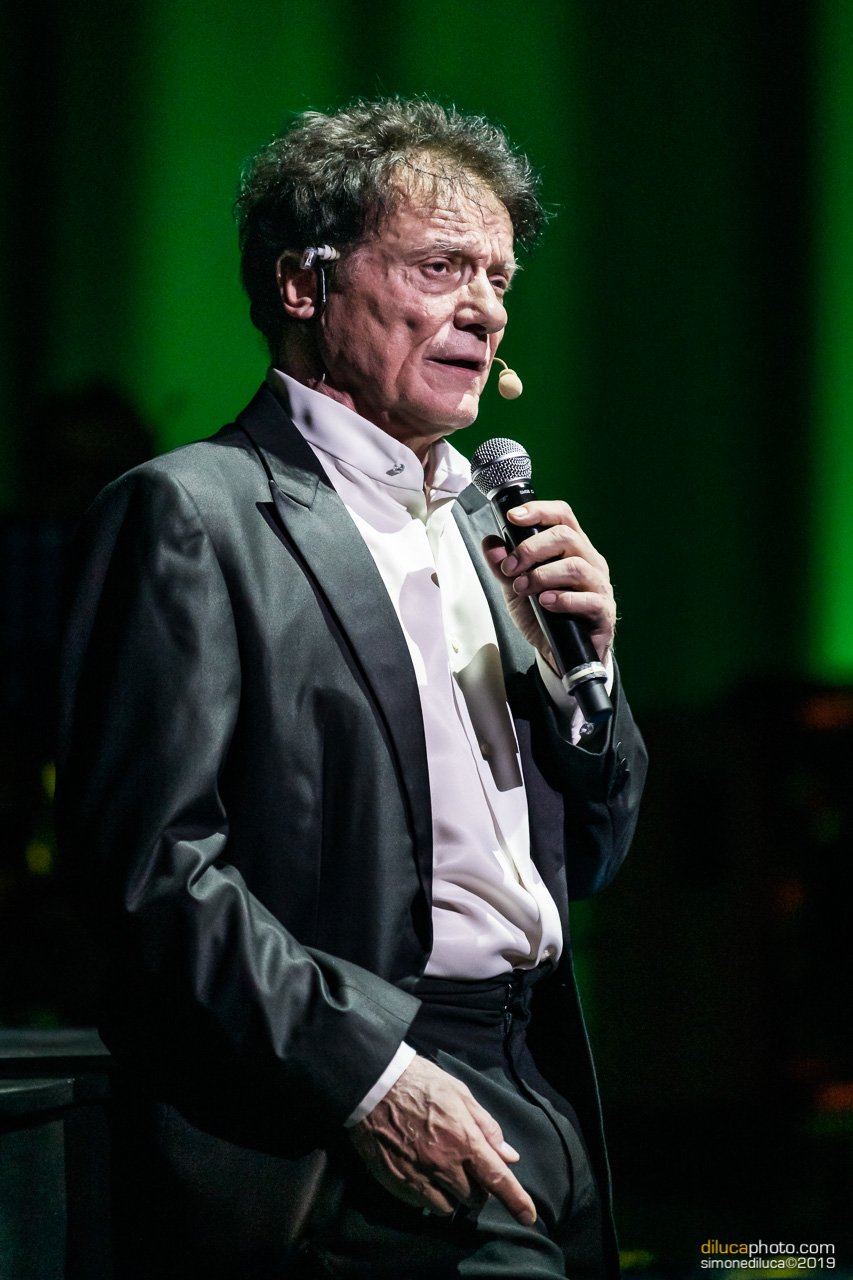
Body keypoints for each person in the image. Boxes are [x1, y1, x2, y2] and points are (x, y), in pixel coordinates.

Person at [58, 98, 647, 1279]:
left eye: (497, 278)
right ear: (302, 284)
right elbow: (150, 876)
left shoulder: (491, 528)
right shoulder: (194, 513)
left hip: (542, 1077)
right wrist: (370, 1077)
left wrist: (588, 675)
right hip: (343, 1107)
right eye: (439, 267)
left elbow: (590, 854)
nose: (485, 307)